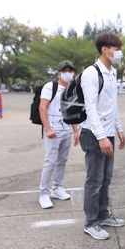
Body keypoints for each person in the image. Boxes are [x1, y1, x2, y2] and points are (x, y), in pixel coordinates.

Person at [80, 33, 125, 240]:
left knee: (106, 178)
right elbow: (90, 108)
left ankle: (102, 214)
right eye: (116, 48)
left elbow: (111, 105)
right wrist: (101, 137)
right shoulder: (91, 73)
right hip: (94, 134)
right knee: (94, 180)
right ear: (104, 49)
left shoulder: (111, 72)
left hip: (108, 133)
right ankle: (91, 222)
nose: (119, 52)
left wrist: (119, 129)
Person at [38, 61, 80, 209]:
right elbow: (42, 108)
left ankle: (57, 188)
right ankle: (43, 194)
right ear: (59, 73)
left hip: (66, 130)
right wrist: (48, 129)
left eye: (70, 71)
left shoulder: (72, 89)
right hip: (53, 131)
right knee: (50, 161)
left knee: (62, 161)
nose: (68, 73)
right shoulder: (50, 87)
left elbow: (71, 111)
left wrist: (75, 131)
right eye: (65, 70)